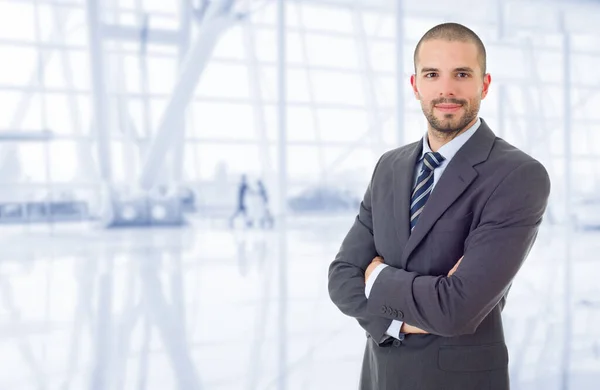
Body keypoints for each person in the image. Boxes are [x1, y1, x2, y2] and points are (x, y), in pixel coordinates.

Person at [328, 22, 551, 390]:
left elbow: (456, 310)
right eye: (432, 74)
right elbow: (341, 278)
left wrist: (378, 279)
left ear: (484, 84)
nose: (446, 89)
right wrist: (401, 319)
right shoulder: (389, 167)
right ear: (416, 85)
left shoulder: (517, 176)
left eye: (461, 74)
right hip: (380, 378)